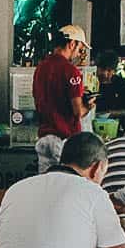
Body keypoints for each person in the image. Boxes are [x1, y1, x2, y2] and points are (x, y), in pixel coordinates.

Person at [32, 25, 94, 173]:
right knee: (66, 186)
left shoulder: (41, 68)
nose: (79, 54)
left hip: (44, 139)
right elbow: (78, 111)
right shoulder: (71, 71)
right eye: (80, 49)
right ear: (72, 44)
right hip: (64, 140)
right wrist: (89, 106)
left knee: (47, 187)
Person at [94, 50, 125, 116]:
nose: (105, 74)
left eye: (109, 70)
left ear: (114, 70)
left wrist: (110, 113)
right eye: (102, 69)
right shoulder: (90, 82)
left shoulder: (120, 83)